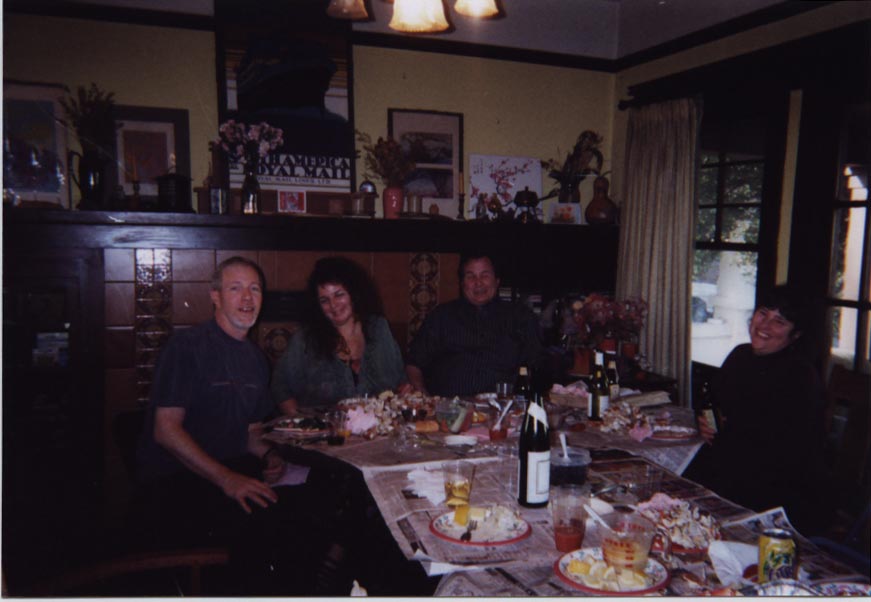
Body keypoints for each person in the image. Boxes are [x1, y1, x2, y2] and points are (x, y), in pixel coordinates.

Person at [133, 256, 347, 594]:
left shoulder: (255, 359)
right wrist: (227, 479)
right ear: (215, 296)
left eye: (255, 289)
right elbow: (166, 430)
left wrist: (269, 456)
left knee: (322, 498)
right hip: (178, 483)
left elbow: (249, 432)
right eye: (235, 288)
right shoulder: (187, 347)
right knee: (276, 526)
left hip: (232, 473)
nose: (247, 298)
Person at [685, 285, 831, 534]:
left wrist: (728, 434)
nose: (764, 325)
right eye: (763, 313)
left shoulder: (800, 376)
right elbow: (711, 402)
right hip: (735, 467)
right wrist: (703, 421)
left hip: (778, 488)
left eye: (779, 321)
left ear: (795, 335)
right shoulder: (740, 355)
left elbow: (784, 451)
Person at [272, 256, 410, 412]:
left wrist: (403, 391)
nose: (333, 305)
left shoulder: (379, 328)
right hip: (322, 427)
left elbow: (400, 381)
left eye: (339, 295)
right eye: (324, 300)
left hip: (379, 426)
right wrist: (300, 422)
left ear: (354, 293)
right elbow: (280, 387)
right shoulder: (305, 339)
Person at [405, 252, 543, 396]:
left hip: (503, 405)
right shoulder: (441, 316)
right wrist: (421, 393)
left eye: (485, 275)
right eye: (470, 276)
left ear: (497, 281)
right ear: (462, 283)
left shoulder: (520, 317)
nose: (478, 283)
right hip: (450, 406)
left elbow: (536, 364)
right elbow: (414, 363)